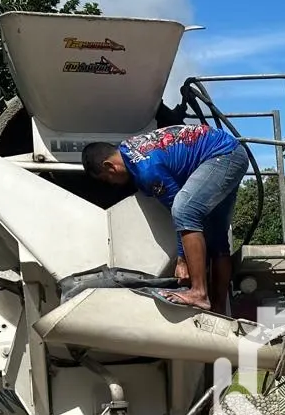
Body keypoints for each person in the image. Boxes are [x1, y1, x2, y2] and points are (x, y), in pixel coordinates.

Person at [83, 124, 248, 311]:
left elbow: (180, 214)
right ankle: (220, 309)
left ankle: (198, 292)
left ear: (109, 166)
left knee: (184, 209)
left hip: (221, 155)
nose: (112, 183)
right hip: (230, 151)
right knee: (217, 238)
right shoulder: (128, 147)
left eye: (107, 178)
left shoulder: (147, 171)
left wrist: (181, 259)